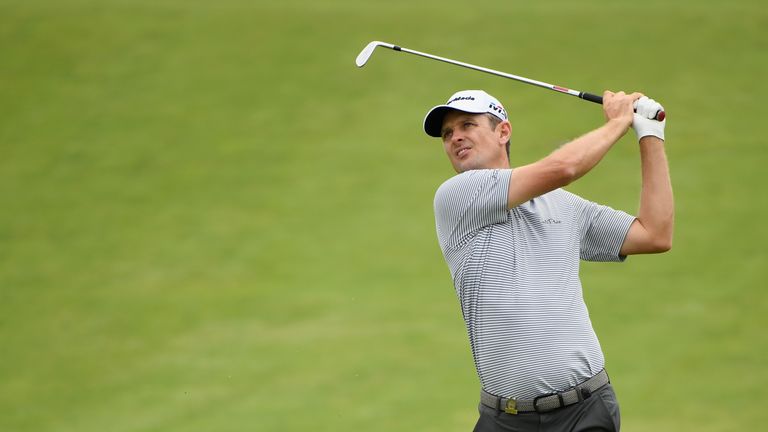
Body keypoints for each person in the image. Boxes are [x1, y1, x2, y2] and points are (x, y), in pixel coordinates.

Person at [424, 89, 673, 432]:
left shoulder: (565, 208)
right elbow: (564, 167)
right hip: (504, 421)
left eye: (467, 124)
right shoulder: (457, 196)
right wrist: (619, 122)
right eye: (447, 133)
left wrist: (650, 135)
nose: (455, 138)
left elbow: (654, 234)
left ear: (503, 132)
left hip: (585, 412)